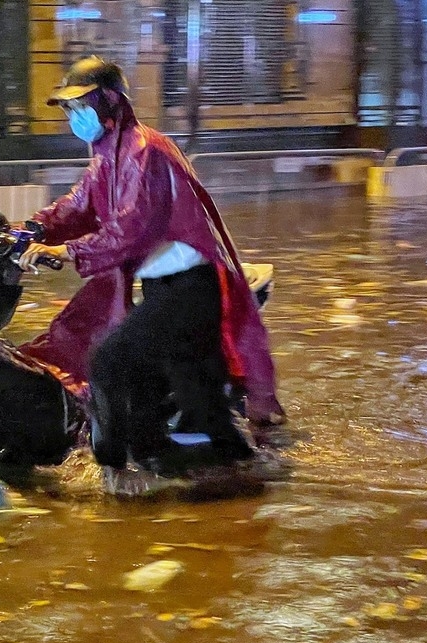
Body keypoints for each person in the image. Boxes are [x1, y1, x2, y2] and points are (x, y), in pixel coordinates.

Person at [17, 56, 284, 472]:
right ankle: (218, 472)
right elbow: (80, 203)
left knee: (108, 362)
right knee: (196, 398)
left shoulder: (144, 150)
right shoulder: (109, 153)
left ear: (109, 103)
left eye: (79, 105)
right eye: (69, 109)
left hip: (191, 287)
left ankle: (115, 473)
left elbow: (130, 227)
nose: (73, 116)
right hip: (165, 287)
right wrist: (32, 228)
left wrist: (66, 251)